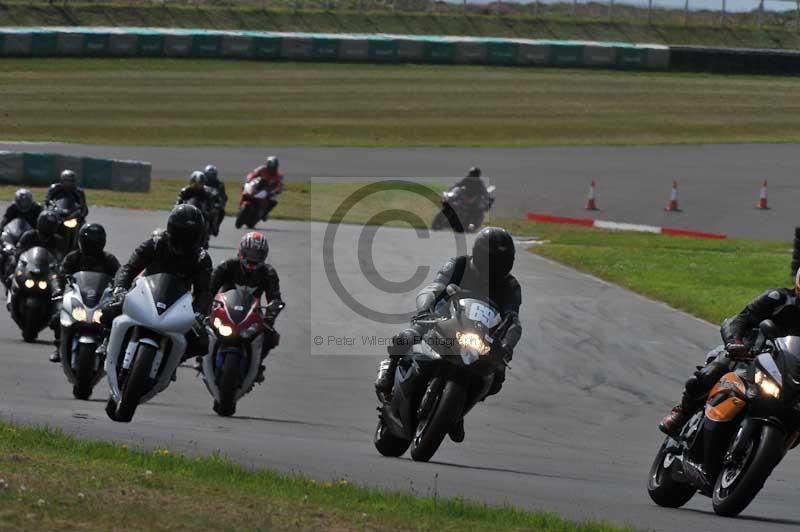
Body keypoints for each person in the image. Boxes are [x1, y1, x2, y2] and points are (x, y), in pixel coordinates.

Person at [374, 226, 522, 442]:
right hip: (443, 318)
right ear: (480, 254)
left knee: (497, 375)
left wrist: (507, 346)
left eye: (504, 260)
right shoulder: (459, 265)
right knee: (407, 336)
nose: (498, 265)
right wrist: (425, 309)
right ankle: (389, 373)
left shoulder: (511, 285)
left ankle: (458, 411)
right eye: (494, 259)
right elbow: (433, 288)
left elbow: (514, 320)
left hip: (481, 334)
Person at [659, 271, 800, 437]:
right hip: (750, 354)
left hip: (788, 371)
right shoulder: (778, 298)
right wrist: (735, 343)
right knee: (713, 371)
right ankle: (682, 412)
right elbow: (738, 320)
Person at [98, 204, 212, 365]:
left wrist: (198, 314)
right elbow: (130, 267)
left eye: (190, 234)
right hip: (144, 294)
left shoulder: (201, 258)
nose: (184, 239)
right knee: (109, 308)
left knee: (201, 342)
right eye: (181, 232)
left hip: (177, 305)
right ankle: (106, 340)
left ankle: (174, 360)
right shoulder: (156, 243)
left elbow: (204, 292)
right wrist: (121, 288)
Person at [203, 231, 283, 382]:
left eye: (257, 254)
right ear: (241, 251)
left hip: (250, 315)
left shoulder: (268, 273)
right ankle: (201, 356)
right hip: (224, 311)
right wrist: (205, 305)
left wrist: (272, 312)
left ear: (264, 255)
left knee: (271, 336)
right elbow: (209, 289)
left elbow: (275, 298)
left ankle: (257, 365)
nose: (253, 257)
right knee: (200, 325)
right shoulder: (227, 266)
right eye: (250, 252)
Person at [13, 211, 68, 362]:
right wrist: (17, 262)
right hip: (30, 271)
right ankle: (13, 296)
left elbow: (62, 260)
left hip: (48, 275)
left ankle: (57, 330)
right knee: (13, 278)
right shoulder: (29, 236)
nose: (48, 227)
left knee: (59, 299)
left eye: (51, 225)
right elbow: (19, 253)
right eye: (46, 224)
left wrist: (61, 272)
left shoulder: (58, 241)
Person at [203, 164, 228, 235]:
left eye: (212, 175)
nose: (210, 177)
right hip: (203, 201)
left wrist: (221, 203)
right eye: (208, 175)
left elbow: (223, 196)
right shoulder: (202, 182)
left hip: (213, 204)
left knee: (221, 211)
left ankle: (216, 226)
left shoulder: (219, 184)